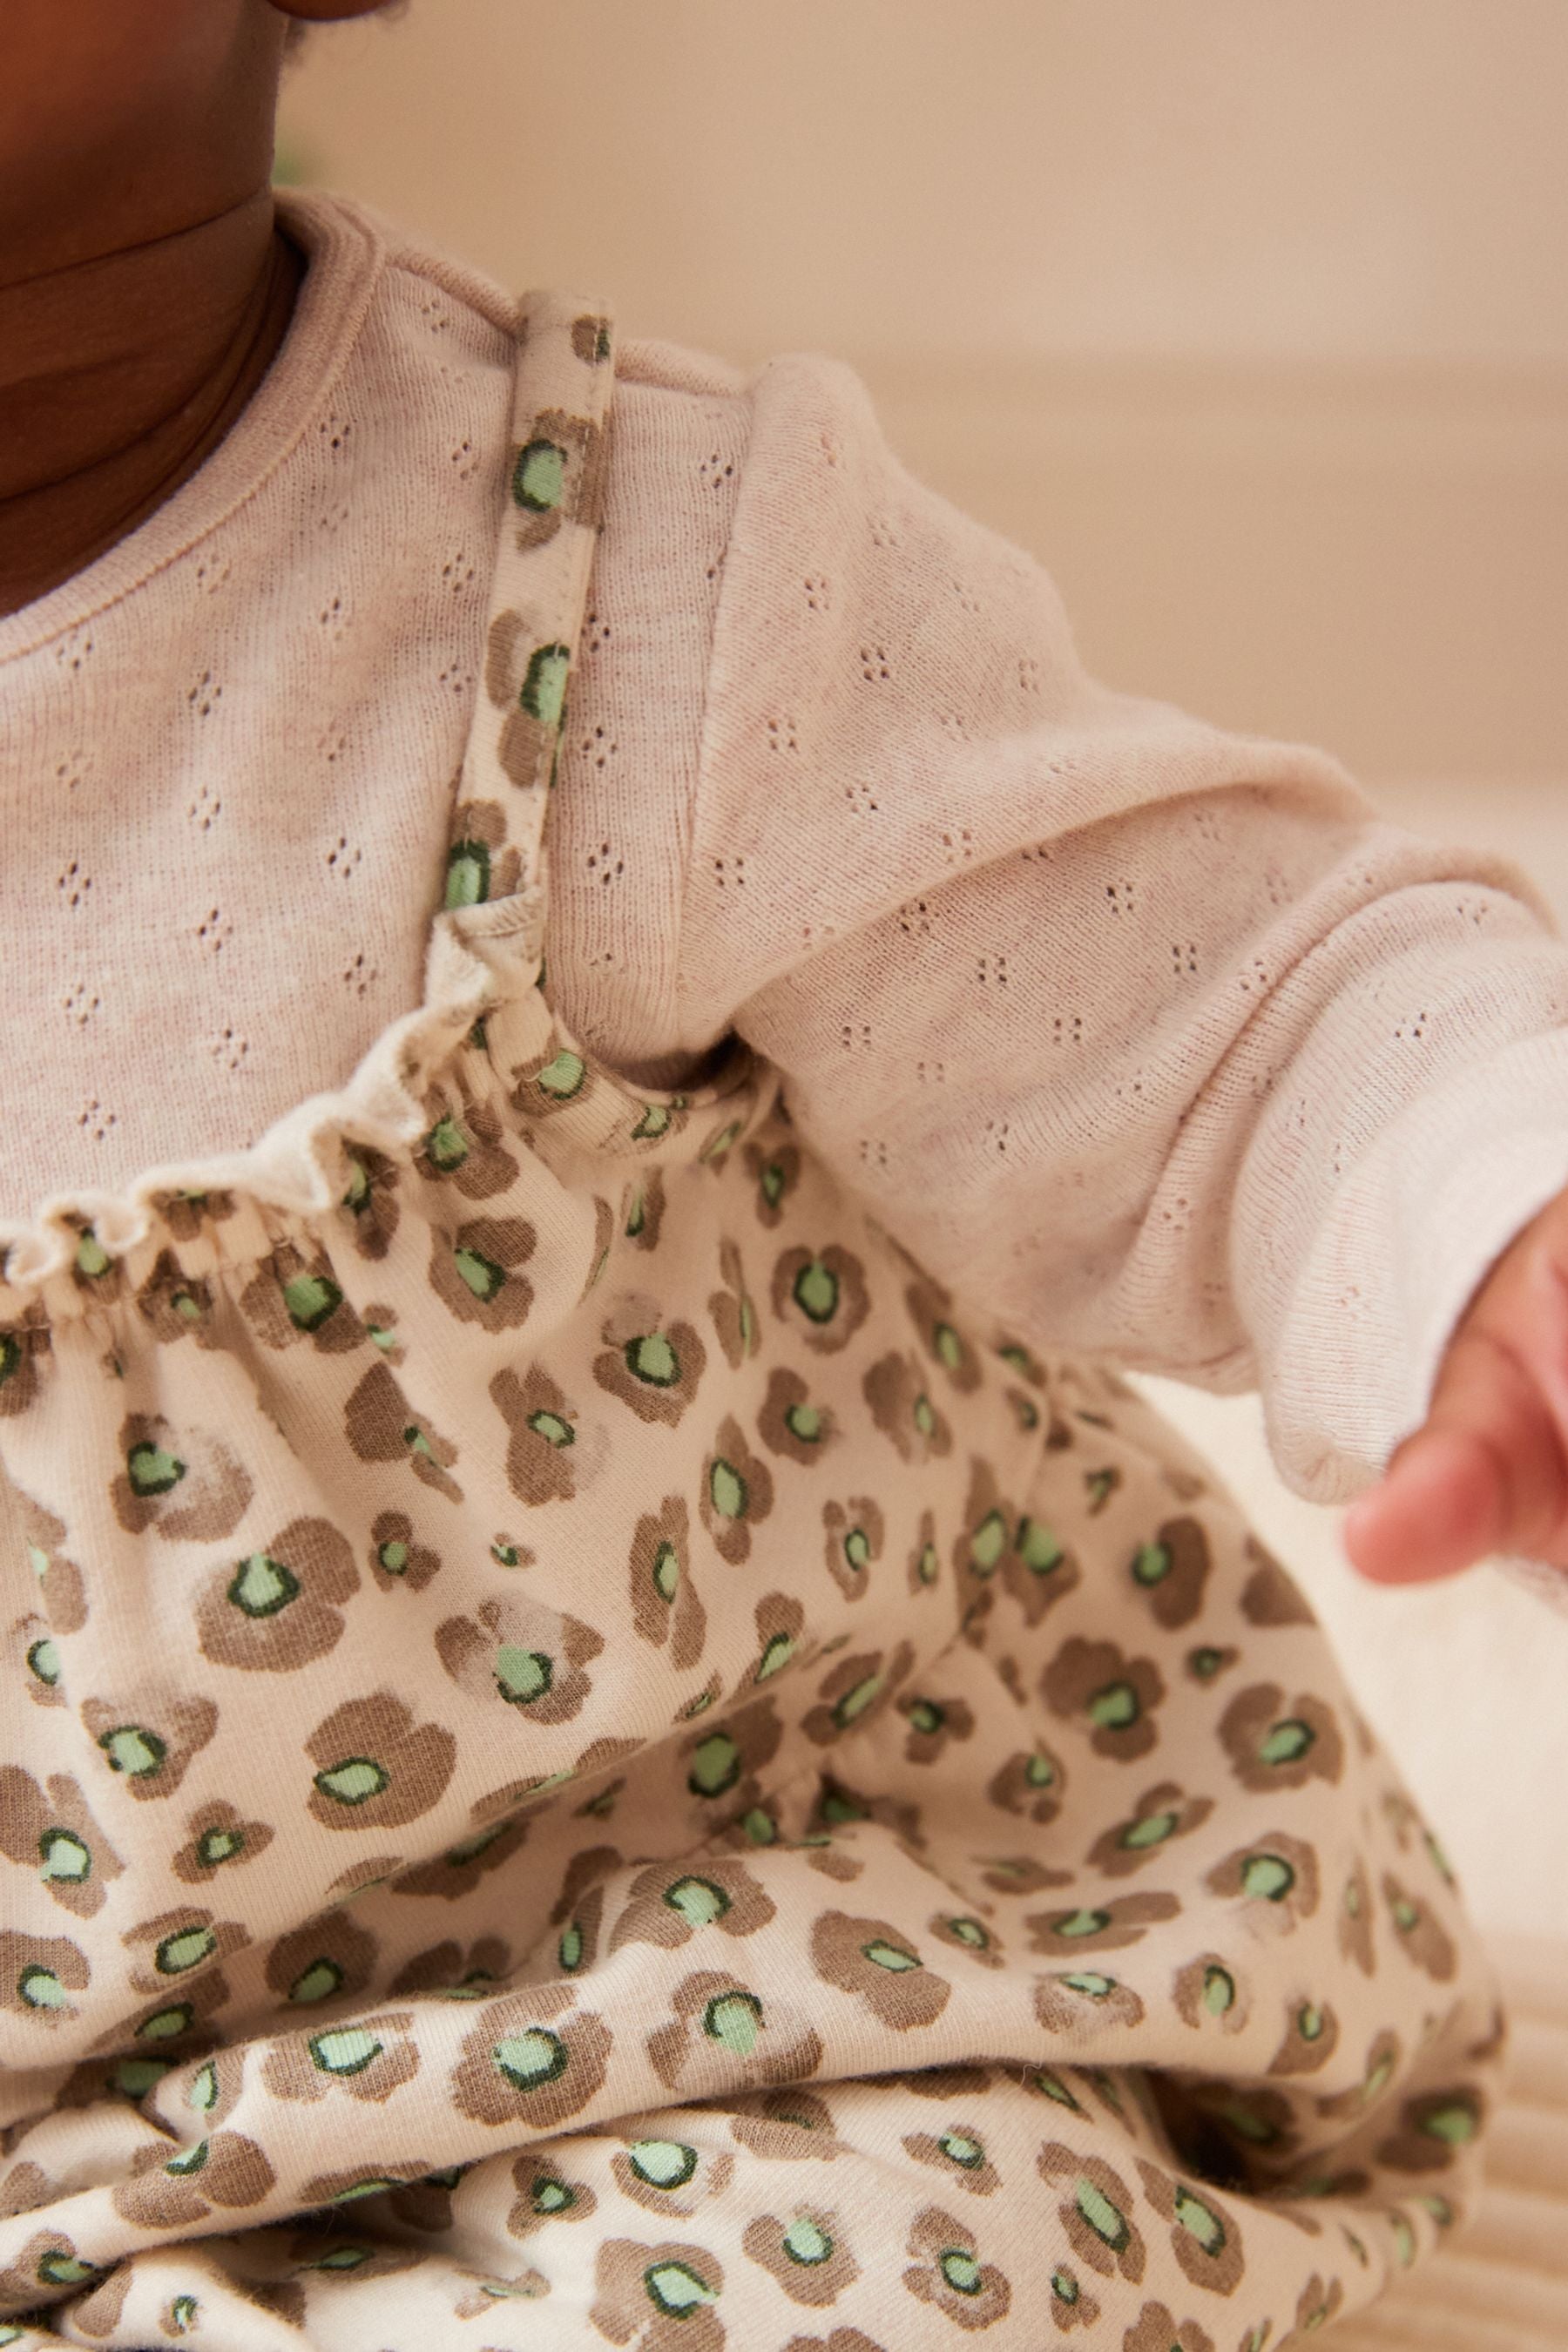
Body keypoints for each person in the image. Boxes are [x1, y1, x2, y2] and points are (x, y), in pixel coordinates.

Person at [2, 3, 1565, 2344]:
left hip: (671, 2012)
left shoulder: (648, 577)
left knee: (879, 2274)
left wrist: (1487, 1218)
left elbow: (1248, 1006)